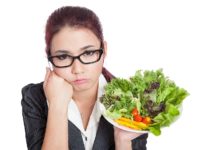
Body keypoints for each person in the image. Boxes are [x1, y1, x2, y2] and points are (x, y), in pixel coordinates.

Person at [21, 6, 148, 150]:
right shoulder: (34, 97)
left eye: (88, 53)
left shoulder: (132, 99)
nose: (77, 69)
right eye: (63, 56)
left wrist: (123, 142)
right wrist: (57, 105)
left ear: (104, 50)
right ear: (50, 58)